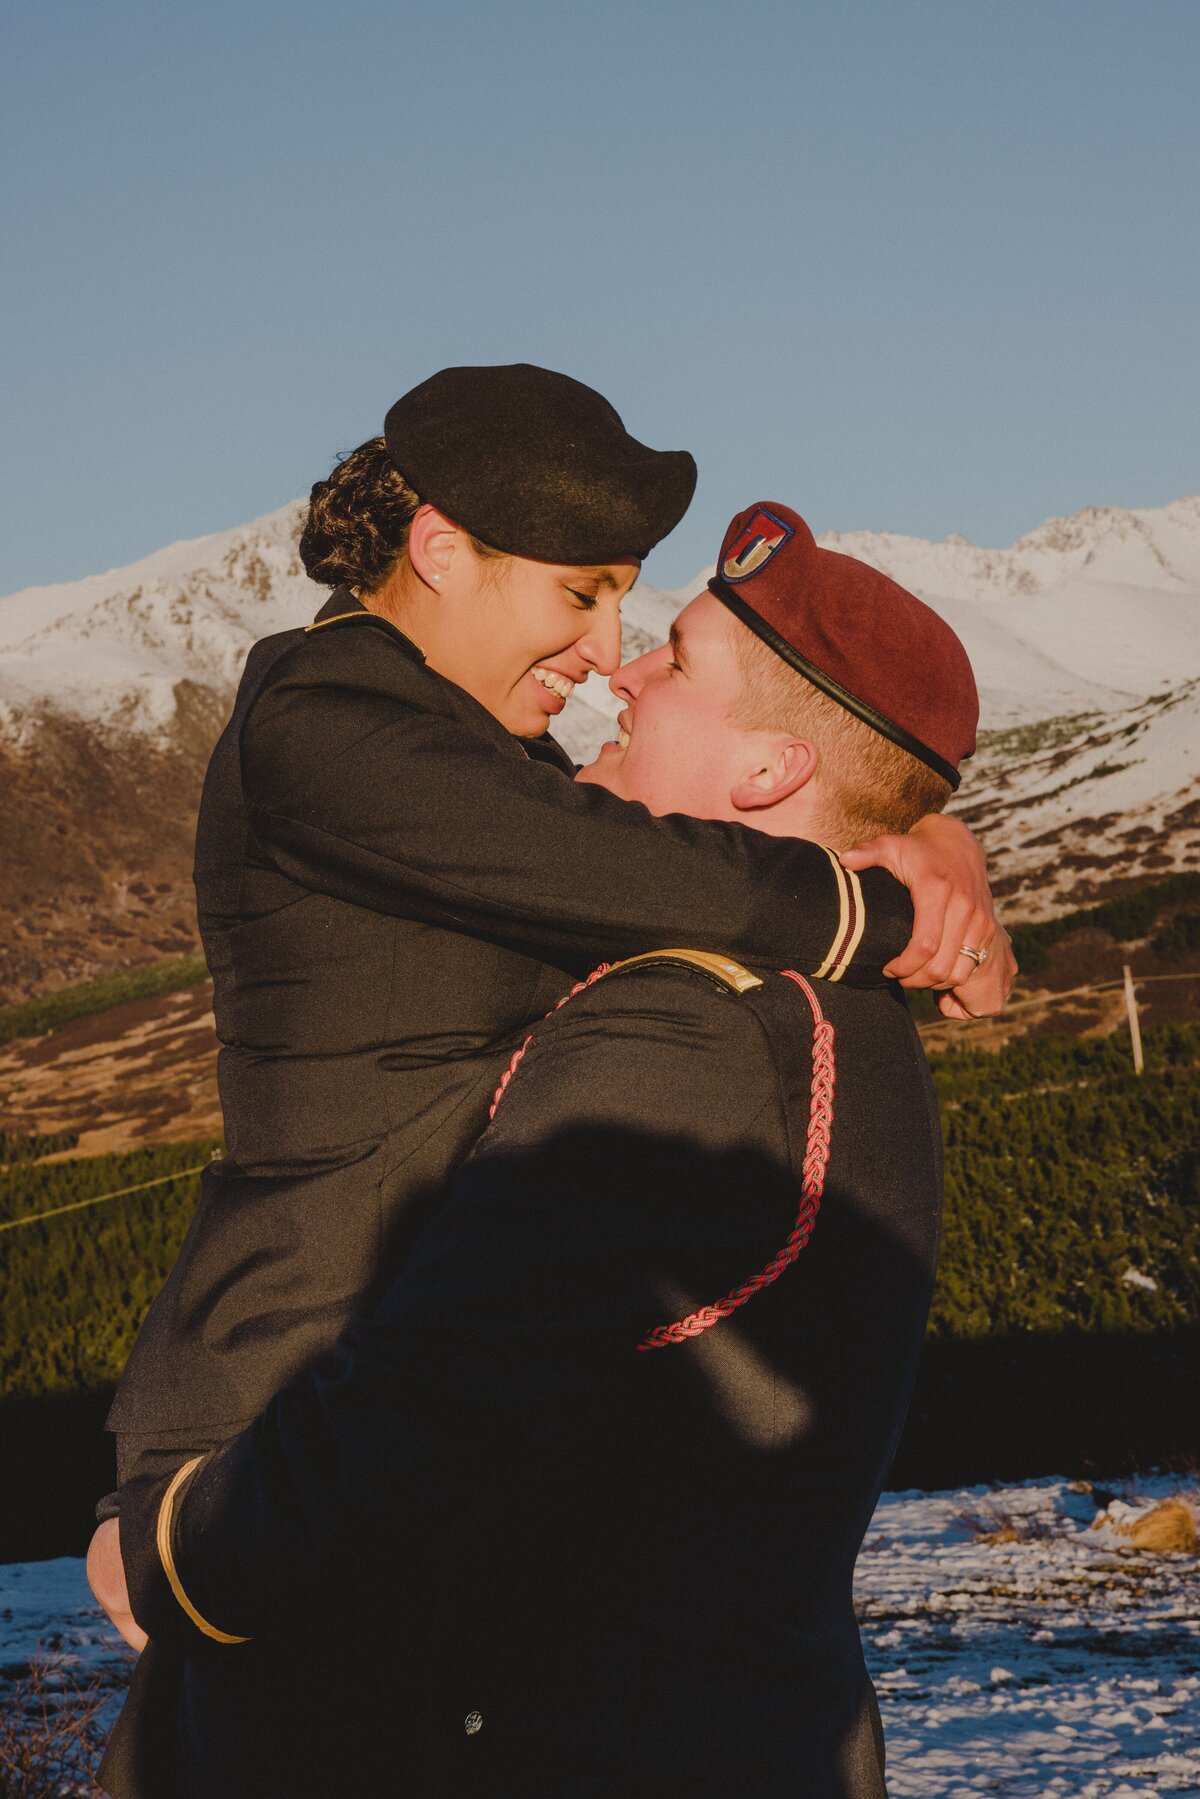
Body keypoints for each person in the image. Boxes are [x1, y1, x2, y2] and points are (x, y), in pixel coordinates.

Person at [93, 365, 1011, 1794]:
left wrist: (932, 841)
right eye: (582, 594)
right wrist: (880, 905)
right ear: (443, 547)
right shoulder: (327, 719)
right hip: (272, 1387)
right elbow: (615, 859)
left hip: (347, 1465)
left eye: (639, 615)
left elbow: (739, 805)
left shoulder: (485, 752)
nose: (611, 651)